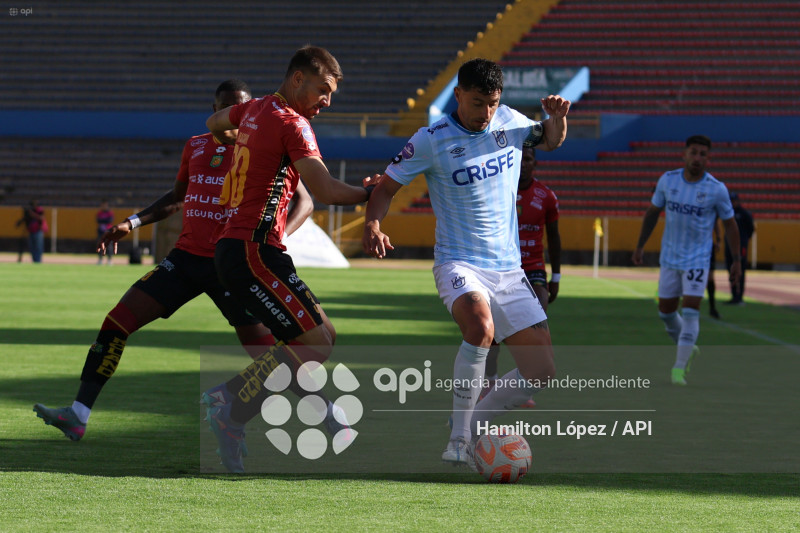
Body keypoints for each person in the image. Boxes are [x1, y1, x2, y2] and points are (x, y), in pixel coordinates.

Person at [32, 80, 319, 442]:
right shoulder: (195, 145)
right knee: (116, 322)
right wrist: (132, 223)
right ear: (214, 111)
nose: (232, 118)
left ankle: (325, 410)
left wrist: (273, 238)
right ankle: (78, 414)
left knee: (265, 354)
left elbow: (305, 201)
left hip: (232, 265)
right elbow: (177, 197)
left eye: (239, 110)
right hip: (185, 260)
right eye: (225, 109)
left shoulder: (262, 147)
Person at [363, 58, 570, 466]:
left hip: (508, 270)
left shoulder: (510, 122)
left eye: (492, 103)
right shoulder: (430, 139)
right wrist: (372, 224)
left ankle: (473, 425)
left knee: (541, 370)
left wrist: (557, 119)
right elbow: (385, 188)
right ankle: (458, 440)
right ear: (458, 95)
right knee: (480, 326)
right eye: (477, 103)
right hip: (459, 263)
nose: (486, 112)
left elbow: (549, 140)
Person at [203, 46, 375, 472]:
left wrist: (238, 142)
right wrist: (374, 192)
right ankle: (230, 402)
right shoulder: (292, 123)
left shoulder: (254, 109)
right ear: (298, 79)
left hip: (245, 248)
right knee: (314, 343)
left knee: (322, 337)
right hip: (252, 249)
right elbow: (327, 190)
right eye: (323, 90)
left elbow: (213, 123)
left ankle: (230, 408)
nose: (327, 101)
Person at [632, 135, 741, 386]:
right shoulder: (667, 180)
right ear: (684, 154)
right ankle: (688, 348)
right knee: (666, 313)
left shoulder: (716, 189)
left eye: (703, 154)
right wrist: (639, 246)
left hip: (698, 260)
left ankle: (679, 369)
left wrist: (736, 260)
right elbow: (652, 213)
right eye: (694, 152)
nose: (697, 158)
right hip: (670, 258)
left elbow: (730, 225)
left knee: (691, 310)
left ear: (708, 159)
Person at [481, 143, 561, 407]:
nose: (524, 163)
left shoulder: (546, 196)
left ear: (535, 163)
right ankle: (490, 382)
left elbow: (554, 237)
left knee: (535, 318)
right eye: (520, 159)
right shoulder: (499, 190)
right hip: (502, 269)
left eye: (528, 159)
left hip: (533, 268)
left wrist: (556, 276)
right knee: (492, 334)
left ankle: (525, 382)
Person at [724, 192, 754, 305]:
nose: (732, 203)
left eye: (734, 201)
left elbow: (751, 229)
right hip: (729, 245)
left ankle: (740, 296)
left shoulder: (744, 214)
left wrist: (744, 240)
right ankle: (733, 295)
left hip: (741, 246)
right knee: (730, 268)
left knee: (740, 269)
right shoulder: (728, 213)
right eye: (731, 201)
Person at [707, 217, 722, 319]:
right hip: (690, 245)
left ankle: (712, 308)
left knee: (710, 277)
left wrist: (719, 239)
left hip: (707, 246)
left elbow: (716, 221)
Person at [96, 200, 115, 265]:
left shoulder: (110, 213)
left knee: (109, 246)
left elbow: (110, 220)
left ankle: (109, 260)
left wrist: (103, 220)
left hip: (108, 231)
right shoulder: (99, 213)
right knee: (100, 245)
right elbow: (98, 220)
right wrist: (104, 220)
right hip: (101, 231)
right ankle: (100, 259)